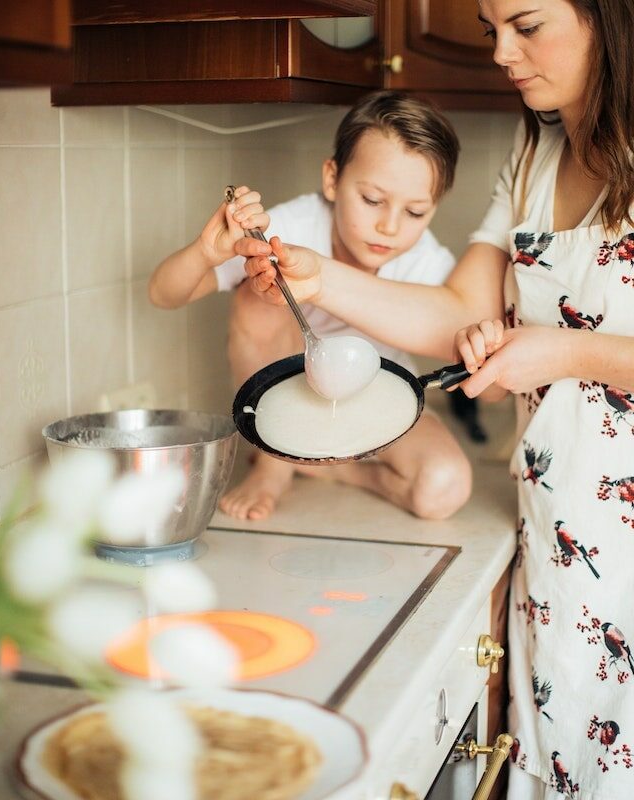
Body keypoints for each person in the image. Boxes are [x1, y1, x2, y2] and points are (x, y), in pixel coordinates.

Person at [239, 2, 634, 798]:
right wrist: (325, 280)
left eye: (525, 25)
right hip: (559, 545)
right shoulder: (534, 159)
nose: (501, 52)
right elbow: (457, 310)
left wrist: (568, 351)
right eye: (492, 29)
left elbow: (565, 344)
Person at [149, 90, 473, 522]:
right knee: (260, 283)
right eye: (373, 200)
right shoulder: (290, 228)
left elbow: (464, 341)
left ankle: (330, 469)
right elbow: (163, 294)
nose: (389, 226)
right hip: (288, 406)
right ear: (332, 180)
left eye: (415, 212)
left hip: (379, 405)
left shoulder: (427, 261)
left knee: (444, 487)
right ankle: (276, 461)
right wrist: (206, 253)